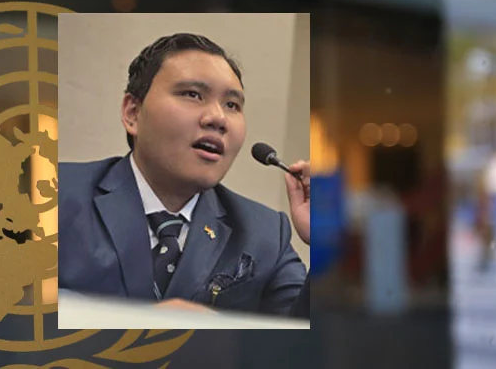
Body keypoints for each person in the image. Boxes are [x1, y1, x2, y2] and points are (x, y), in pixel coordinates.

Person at [58, 33, 310, 318]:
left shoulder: (265, 233)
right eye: (192, 94)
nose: (218, 118)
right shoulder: (53, 195)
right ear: (132, 113)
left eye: (232, 105)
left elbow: (306, 345)